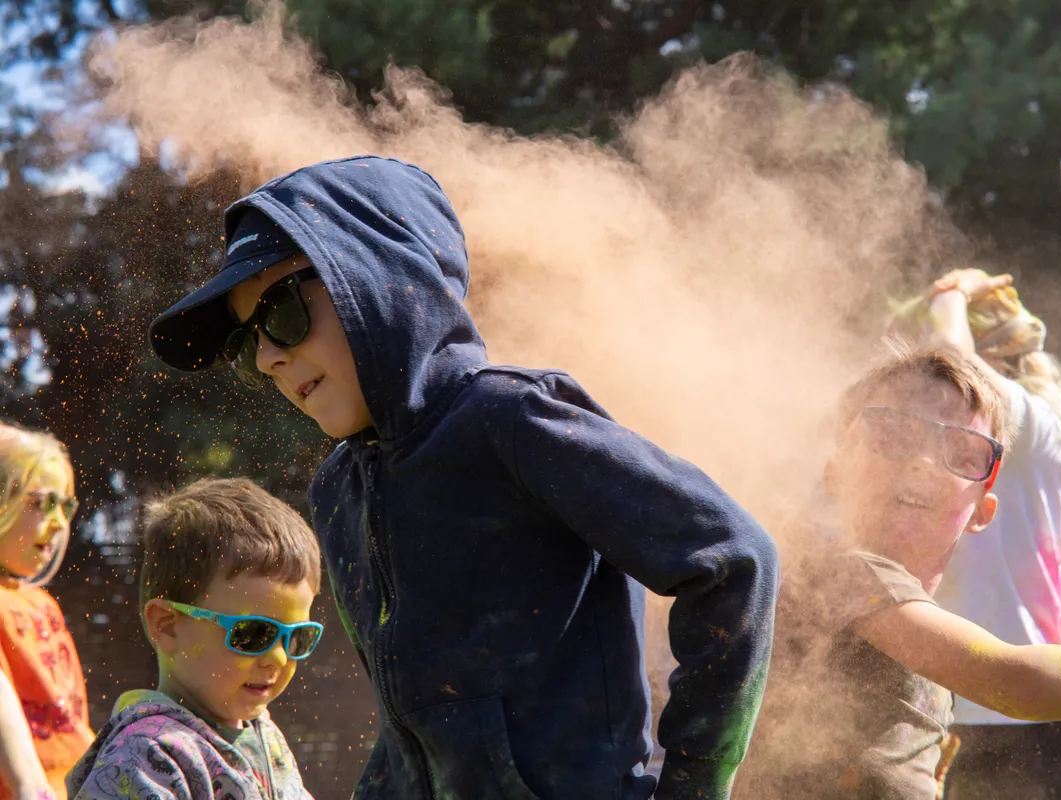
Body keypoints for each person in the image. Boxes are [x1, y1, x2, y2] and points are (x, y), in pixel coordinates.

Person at [144, 155, 780, 800]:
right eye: (250, 343)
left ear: (379, 281)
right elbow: (413, 729)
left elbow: (734, 559)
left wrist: (695, 783)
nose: (270, 357)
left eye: (281, 312)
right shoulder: (337, 492)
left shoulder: (510, 421)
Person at [779, 344, 1061, 800]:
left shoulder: (906, 616)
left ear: (983, 510)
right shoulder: (842, 575)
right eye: (894, 433)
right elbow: (1012, 681)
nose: (921, 460)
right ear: (834, 473)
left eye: (962, 451)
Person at [891, 269, 1061, 798]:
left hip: (1024, 718)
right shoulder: (966, 448)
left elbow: (961, 372)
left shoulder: (1031, 424)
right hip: (994, 713)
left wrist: (951, 293)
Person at [67, 478, 320, 799]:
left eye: (298, 637)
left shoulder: (266, 737)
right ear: (168, 626)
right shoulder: (145, 756)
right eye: (255, 633)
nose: (279, 658)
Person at [0, 423, 92, 800]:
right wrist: (31, 788)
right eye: (42, 503)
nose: (59, 523)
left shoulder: (41, 603)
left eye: (66, 506)